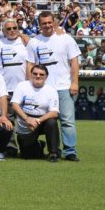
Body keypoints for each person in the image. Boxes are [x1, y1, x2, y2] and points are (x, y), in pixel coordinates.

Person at [26, 11, 81, 161]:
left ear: (54, 22)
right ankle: (54, 150)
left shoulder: (66, 39)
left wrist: (74, 82)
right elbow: (30, 64)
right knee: (49, 122)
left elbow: (74, 61)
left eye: (50, 22)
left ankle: (70, 151)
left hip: (63, 86)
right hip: (43, 89)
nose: (47, 25)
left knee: (67, 121)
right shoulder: (34, 42)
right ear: (39, 25)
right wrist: (30, 84)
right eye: (44, 23)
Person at [11, 65, 61, 162]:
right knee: (27, 156)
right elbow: (14, 104)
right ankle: (39, 145)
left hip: (41, 122)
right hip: (25, 125)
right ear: (31, 74)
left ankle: (53, 153)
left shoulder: (51, 90)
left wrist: (37, 121)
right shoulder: (22, 86)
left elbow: (54, 113)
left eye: (41, 74)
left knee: (52, 122)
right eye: (35, 74)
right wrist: (27, 119)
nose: (38, 76)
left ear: (46, 76)